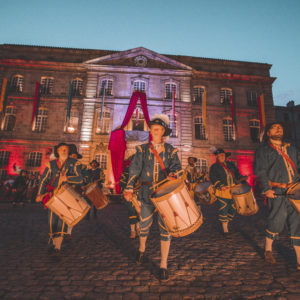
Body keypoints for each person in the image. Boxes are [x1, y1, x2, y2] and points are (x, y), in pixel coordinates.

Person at [123, 114, 182, 281]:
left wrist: (173, 173)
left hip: (165, 195)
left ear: (163, 131)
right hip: (146, 192)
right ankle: (142, 249)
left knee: (166, 228)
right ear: (150, 130)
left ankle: (163, 265)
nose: (156, 130)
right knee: (144, 224)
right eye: (153, 128)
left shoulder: (171, 150)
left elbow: (178, 168)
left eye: (159, 128)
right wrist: (128, 188)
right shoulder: (142, 150)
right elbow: (134, 170)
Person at [254, 122, 300, 270]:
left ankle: (299, 258)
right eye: (274, 127)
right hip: (277, 191)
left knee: (297, 224)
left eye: (280, 126)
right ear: (268, 133)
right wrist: (266, 188)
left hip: (295, 191)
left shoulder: (292, 148)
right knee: (276, 222)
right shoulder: (263, 150)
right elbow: (260, 171)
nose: (278, 128)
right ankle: (268, 249)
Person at [36, 142, 83, 255]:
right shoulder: (51, 164)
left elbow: (80, 179)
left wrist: (67, 178)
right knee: (52, 220)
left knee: (62, 220)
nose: (63, 151)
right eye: (61, 149)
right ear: (57, 151)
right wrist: (39, 194)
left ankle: (58, 247)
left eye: (65, 149)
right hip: (53, 196)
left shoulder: (74, 163)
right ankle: (53, 242)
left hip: (67, 195)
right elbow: (44, 180)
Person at [209, 148, 247, 235]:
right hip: (222, 191)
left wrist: (242, 178)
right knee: (223, 208)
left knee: (233, 208)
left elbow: (237, 174)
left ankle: (226, 222)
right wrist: (220, 185)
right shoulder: (214, 167)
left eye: (223, 155)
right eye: (219, 156)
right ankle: (225, 228)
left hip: (233, 190)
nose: (221, 157)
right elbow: (213, 177)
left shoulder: (231, 164)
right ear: (217, 157)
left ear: (225, 156)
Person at [120, 155, 140, 239]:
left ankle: (138, 229)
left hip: (139, 194)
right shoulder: (127, 171)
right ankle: (133, 231)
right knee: (131, 212)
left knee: (138, 212)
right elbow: (122, 182)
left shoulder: (141, 171)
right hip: (129, 194)